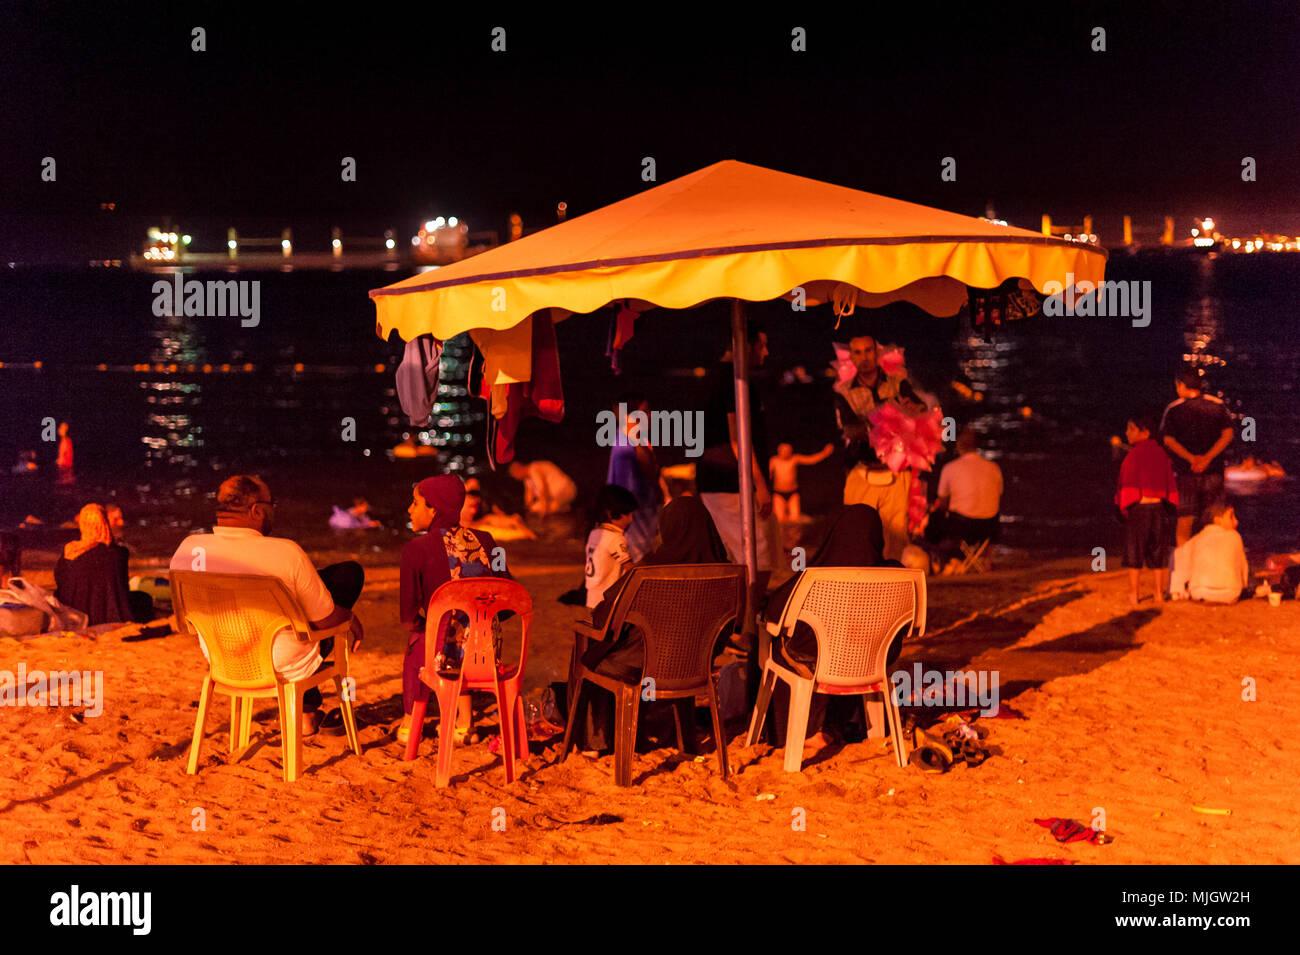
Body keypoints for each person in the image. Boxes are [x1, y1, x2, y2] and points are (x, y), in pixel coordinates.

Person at [170, 476, 364, 737]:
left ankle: (305, 713)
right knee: (348, 574)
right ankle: (304, 713)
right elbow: (325, 622)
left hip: (223, 659)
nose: (273, 510)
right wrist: (349, 618)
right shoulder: (285, 553)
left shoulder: (188, 550)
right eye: (272, 504)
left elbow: (185, 622)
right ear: (256, 510)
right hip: (282, 664)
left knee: (306, 587)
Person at [576, 495, 728, 749]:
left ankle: (597, 741)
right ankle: (683, 738)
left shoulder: (649, 570)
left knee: (593, 649)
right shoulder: (725, 572)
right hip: (697, 664)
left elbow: (607, 613)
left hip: (644, 666)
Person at [761, 504, 901, 758]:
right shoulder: (898, 575)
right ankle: (839, 725)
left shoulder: (815, 578)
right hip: (871, 663)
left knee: (781, 642)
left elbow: (774, 614)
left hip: (817, 666)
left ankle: (797, 730)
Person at [398, 475, 511, 746]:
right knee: (463, 630)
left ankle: (410, 720)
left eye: (415, 503)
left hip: (441, 658)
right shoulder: (486, 540)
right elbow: (508, 597)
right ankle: (465, 723)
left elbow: (408, 618)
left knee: (421, 640)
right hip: (485, 653)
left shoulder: (415, 549)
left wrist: (430, 627)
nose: (409, 510)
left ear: (433, 509)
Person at [696, 319, 777, 623]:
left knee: (742, 558)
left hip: (720, 482)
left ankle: (737, 624)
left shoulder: (721, 379)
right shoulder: (732, 381)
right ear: (744, 344)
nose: (766, 352)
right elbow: (736, 438)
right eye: (761, 344)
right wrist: (759, 483)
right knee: (759, 559)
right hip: (731, 484)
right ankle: (742, 628)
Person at [834, 334, 913, 559]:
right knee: (856, 537)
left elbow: (918, 409)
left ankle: (891, 588)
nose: (864, 357)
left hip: (896, 473)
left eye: (868, 350)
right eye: (857, 352)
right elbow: (850, 430)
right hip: (861, 471)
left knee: (896, 540)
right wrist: (888, 413)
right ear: (851, 357)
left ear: (877, 353)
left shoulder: (898, 383)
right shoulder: (843, 392)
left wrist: (909, 412)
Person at [1160, 368, 1233, 545]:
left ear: (1181, 385)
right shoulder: (1217, 405)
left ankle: (1184, 565)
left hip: (1186, 474)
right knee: (1216, 518)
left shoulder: (1174, 409)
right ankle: (1215, 560)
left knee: (1185, 519)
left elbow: (1168, 440)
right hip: (1213, 472)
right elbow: (1228, 435)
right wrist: (1208, 458)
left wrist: (1191, 459)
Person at [1114, 414, 1179, 606]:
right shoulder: (1161, 454)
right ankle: (1159, 593)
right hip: (1158, 508)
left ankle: (1134, 595)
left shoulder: (1133, 456)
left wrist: (1122, 507)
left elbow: (1126, 486)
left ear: (1145, 432)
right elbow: (1170, 483)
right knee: (1157, 551)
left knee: (1134, 552)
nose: (1127, 433)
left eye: (1131, 429)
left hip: (1139, 509)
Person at [926, 428, 1003, 567]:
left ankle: (938, 558)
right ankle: (987, 559)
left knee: (936, 517)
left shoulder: (950, 468)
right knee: (995, 512)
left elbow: (943, 504)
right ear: (977, 446)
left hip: (962, 528)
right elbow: (998, 496)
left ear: (958, 446)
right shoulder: (994, 468)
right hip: (990, 528)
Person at [606, 392, 662, 562]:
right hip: (633, 517)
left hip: (640, 514)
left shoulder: (633, 440)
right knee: (638, 560)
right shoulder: (626, 444)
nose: (651, 415)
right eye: (646, 411)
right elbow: (627, 487)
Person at [54, 503, 132, 625]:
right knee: (143, 598)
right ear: (104, 522)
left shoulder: (70, 551)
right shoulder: (120, 553)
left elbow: (60, 583)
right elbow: (123, 589)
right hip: (111, 615)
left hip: (73, 614)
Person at [1170, 504, 1249, 603]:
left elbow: (1179, 557)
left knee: (1182, 556)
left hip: (1200, 592)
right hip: (1230, 593)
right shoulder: (1235, 537)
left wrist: (1177, 589)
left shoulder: (1198, 538)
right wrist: (1244, 585)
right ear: (1217, 520)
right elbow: (1243, 568)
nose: (1236, 521)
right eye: (1231, 517)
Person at [585, 485, 637, 608]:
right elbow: (630, 568)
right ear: (611, 513)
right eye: (628, 514)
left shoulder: (594, 533)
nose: (631, 519)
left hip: (592, 596)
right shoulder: (615, 538)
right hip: (607, 600)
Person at [768, 442, 834, 523]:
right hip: (779, 493)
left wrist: (824, 453)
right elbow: (767, 474)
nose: (785, 452)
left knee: (795, 519)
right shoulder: (774, 461)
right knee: (780, 519)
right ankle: (782, 534)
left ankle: (793, 535)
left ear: (791, 451)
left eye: (787, 450)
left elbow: (810, 460)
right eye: (783, 450)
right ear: (779, 450)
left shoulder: (794, 459)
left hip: (793, 493)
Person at [508, 459, 577, 517]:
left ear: (518, 470)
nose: (517, 478)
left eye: (515, 476)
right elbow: (529, 494)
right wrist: (526, 508)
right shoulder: (527, 478)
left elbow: (541, 489)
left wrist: (544, 508)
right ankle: (563, 506)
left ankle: (561, 507)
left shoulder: (534, 468)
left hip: (565, 491)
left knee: (541, 508)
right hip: (555, 497)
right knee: (534, 508)